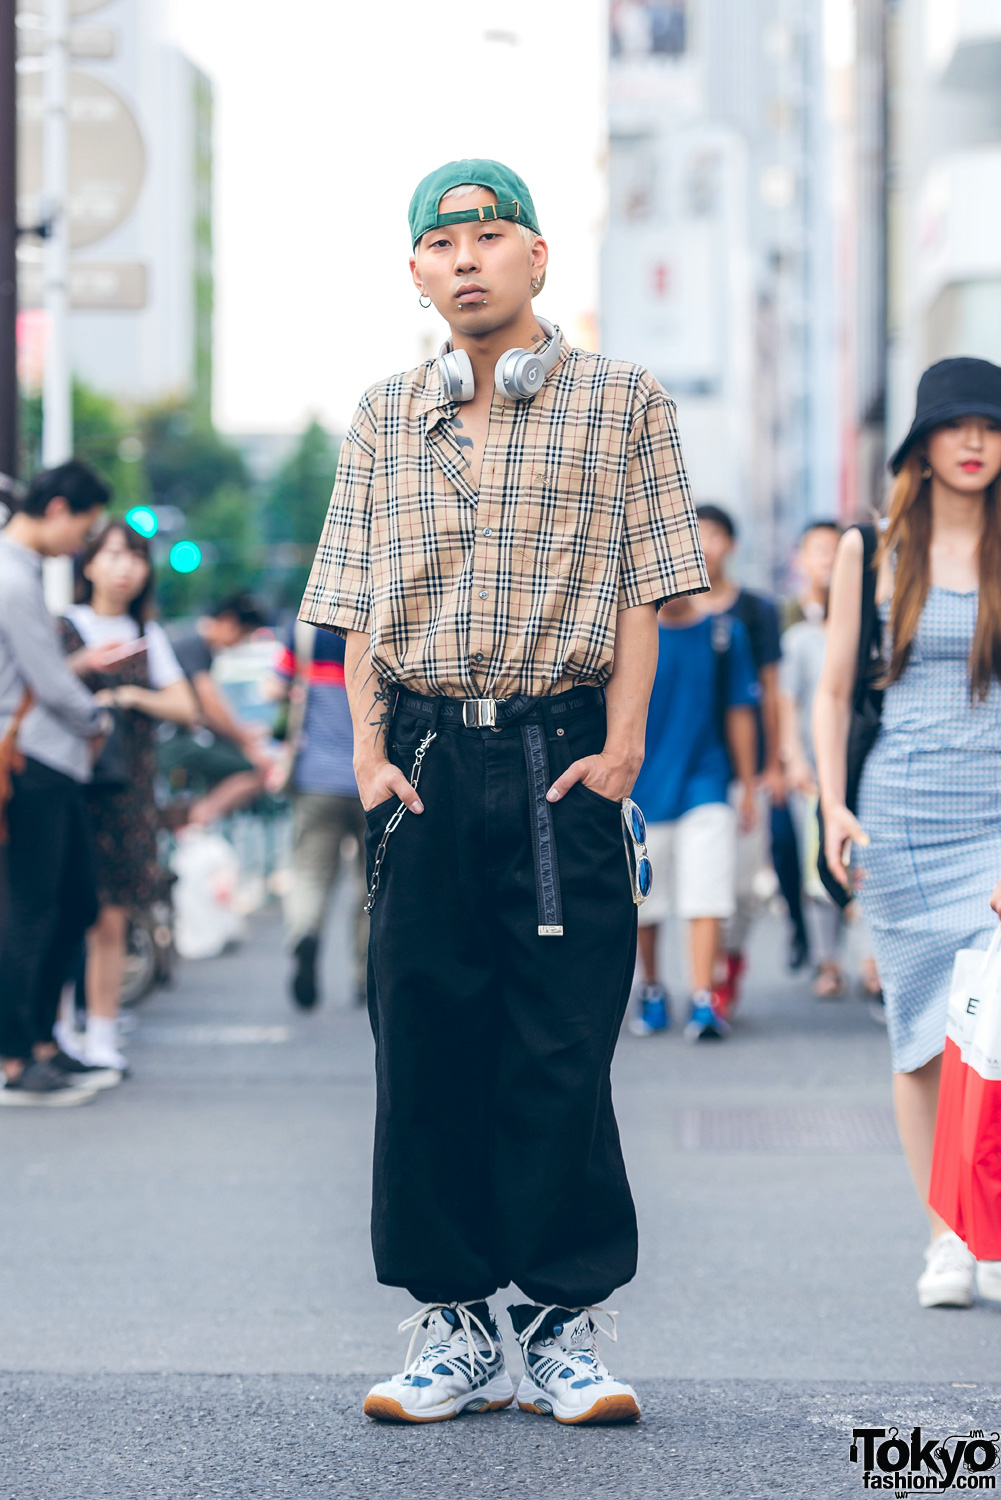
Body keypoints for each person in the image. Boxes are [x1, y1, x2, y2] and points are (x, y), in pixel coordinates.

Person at [299, 159, 708, 1425]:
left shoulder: (621, 402)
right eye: (442, 242)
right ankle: (454, 1323)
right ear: (414, 273)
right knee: (423, 1043)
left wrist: (624, 748)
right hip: (419, 763)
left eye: (490, 235)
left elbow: (648, 586)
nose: (465, 258)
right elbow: (357, 606)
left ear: (538, 258)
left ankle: (562, 1322)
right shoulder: (381, 416)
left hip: (560, 757)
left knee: (560, 1042)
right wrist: (366, 760)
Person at [815, 356, 1001, 1310]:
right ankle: (946, 1238)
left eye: (990, 426)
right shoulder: (872, 548)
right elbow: (836, 688)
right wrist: (830, 805)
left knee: (996, 1031)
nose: (974, 442)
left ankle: (988, 1221)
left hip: (996, 816)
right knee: (923, 1038)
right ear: (923, 443)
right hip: (899, 817)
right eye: (955, 424)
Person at [55, 521, 196, 1072]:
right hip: (68, 785)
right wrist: (86, 669)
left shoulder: (147, 635)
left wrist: (131, 693)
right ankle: (58, 1028)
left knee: (112, 915)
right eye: (113, 554)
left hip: (126, 791)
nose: (125, 566)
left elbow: (185, 708)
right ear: (87, 563)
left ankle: (102, 1034)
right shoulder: (64, 626)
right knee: (65, 912)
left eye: (135, 557)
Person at [0, 461, 118, 1105]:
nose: (83, 541)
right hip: (34, 762)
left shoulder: (18, 574)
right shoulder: (13, 577)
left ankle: (42, 1042)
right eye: (84, 526)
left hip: (49, 761)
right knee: (33, 907)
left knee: (71, 902)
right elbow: (47, 685)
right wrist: (96, 712)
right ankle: (18, 1057)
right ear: (56, 510)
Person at [628, 593, 757, 1041]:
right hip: (641, 788)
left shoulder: (724, 634)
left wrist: (747, 786)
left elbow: (740, 711)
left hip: (707, 783)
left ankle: (703, 998)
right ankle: (652, 989)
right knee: (646, 900)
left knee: (708, 894)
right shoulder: (628, 632)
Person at [694, 505, 787, 1005]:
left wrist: (773, 765)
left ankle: (730, 958)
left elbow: (769, 691)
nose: (706, 544)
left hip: (744, 768)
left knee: (746, 884)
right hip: (692, 765)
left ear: (732, 544)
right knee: (703, 883)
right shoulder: (668, 608)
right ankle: (710, 975)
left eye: (715, 535)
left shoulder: (754, 610)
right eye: (698, 534)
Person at [270, 620, 366, 1009]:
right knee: (369, 881)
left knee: (310, 872)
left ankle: (305, 934)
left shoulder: (307, 632)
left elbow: (273, 685)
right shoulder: (381, 623)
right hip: (372, 778)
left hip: (314, 778)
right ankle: (365, 976)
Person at [778, 521, 848, 997]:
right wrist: (793, 759)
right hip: (816, 773)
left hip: (860, 763)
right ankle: (825, 959)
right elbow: (788, 703)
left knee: (864, 862)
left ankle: (868, 960)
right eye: (817, 550)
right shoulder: (797, 632)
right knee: (814, 864)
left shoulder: (872, 622)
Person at [159, 593, 270, 825]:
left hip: (174, 740)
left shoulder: (194, 643)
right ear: (229, 622)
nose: (241, 642)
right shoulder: (194, 644)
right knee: (254, 770)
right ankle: (197, 823)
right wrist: (245, 741)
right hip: (169, 742)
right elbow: (211, 705)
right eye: (245, 634)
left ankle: (193, 821)